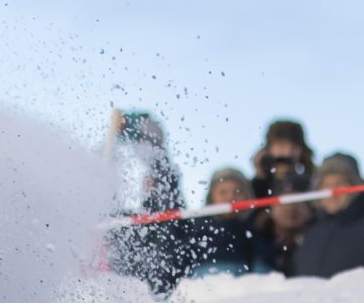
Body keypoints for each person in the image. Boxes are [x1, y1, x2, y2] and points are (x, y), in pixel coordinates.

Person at [104, 108, 188, 292]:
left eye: (154, 180)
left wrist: (134, 125)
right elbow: (104, 197)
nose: (149, 182)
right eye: (148, 179)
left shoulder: (167, 213)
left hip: (163, 287)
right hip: (126, 293)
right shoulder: (129, 223)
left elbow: (162, 166)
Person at [180, 167, 257, 276]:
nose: (230, 197)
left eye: (238, 191)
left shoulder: (256, 225)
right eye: (222, 192)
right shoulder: (198, 226)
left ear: (247, 196)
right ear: (211, 197)